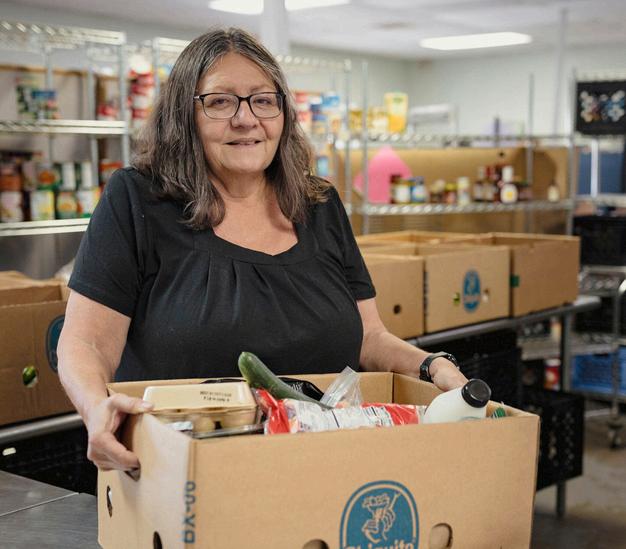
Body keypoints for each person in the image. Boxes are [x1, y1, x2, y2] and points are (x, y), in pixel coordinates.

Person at [57, 27, 467, 473]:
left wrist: (432, 366)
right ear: (183, 115)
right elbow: (85, 341)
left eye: (263, 100)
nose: (246, 118)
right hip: (185, 472)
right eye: (220, 101)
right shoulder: (138, 200)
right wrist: (95, 409)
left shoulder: (320, 204)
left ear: (283, 112)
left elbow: (368, 336)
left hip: (330, 465)